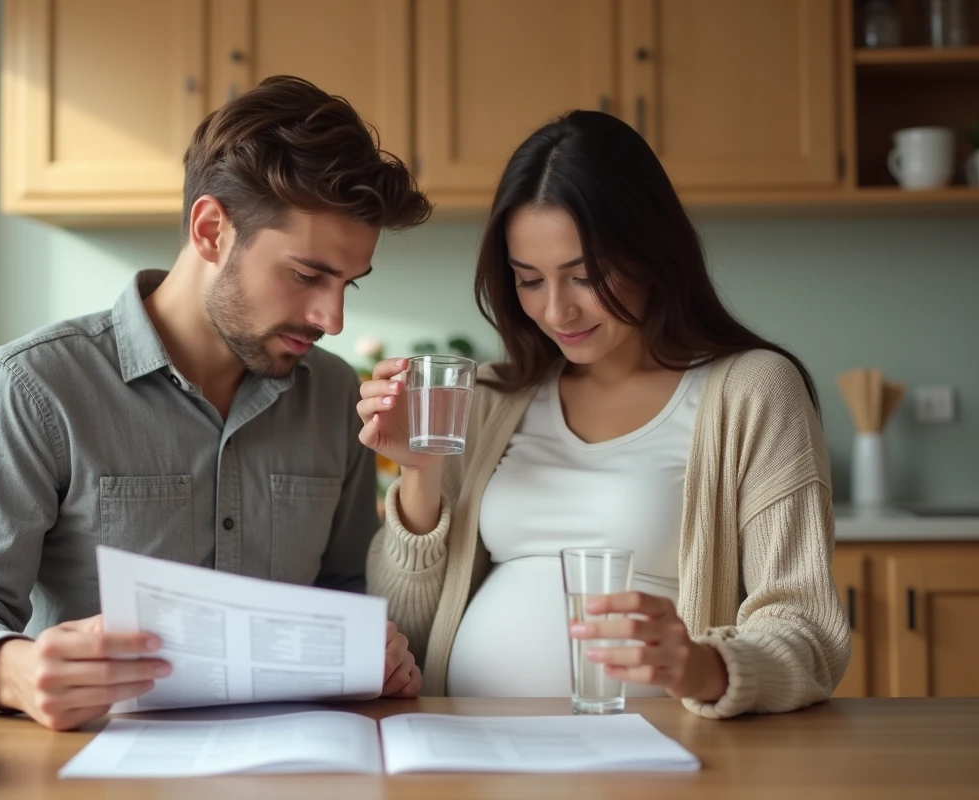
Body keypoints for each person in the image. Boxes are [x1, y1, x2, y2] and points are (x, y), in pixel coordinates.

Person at [0, 76, 433, 731]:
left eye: (347, 282)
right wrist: (17, 669)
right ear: (211, 230)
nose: (333, 317)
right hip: (91, 763)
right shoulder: (32, 389)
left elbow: (345, 587)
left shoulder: (334, 394)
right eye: (307, 274)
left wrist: (378, 647)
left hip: (296, 765)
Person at [358, 110, 849, 719]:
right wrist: (421, 474)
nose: (557, 310)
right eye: (529, 280)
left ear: (652, 252)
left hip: (653, 754)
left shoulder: (751, 391)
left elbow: (808, 630)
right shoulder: (490, 398)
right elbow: (403, 630)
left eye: (585, 276)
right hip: (470, 752)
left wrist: (705, 666)